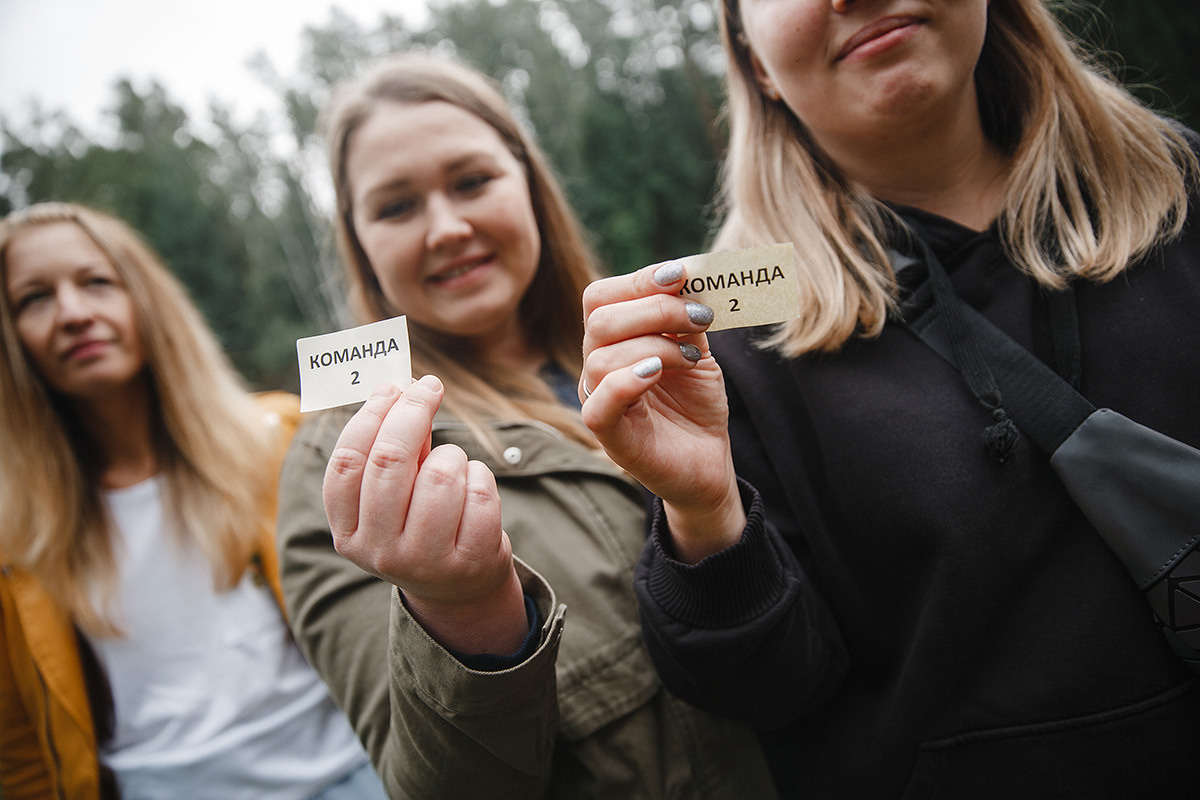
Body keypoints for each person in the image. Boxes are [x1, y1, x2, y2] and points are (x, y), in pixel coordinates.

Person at [578, 0, 1200, 798]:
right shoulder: (722, 359)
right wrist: (705, 519)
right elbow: (763, 694)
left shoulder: (1187, 195)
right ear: (755, 63)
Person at [274, 52, 778, 800]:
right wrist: (461, 613)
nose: (446, 227)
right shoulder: (346, 466)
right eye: (397, 206)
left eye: (472, 181)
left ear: (530, 184)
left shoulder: (679, 350)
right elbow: (435, 788)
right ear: (360, 241)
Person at [0, 202, 386, 800]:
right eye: (34, 299)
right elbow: (20, 755)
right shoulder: (14, 536)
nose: (73, 314)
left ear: (146, 299)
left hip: (350, 774)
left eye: (96, 282)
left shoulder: (277, 435)